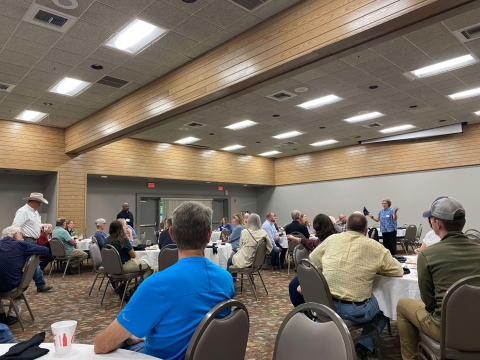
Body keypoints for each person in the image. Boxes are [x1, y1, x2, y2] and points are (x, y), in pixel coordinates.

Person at [94, 201, 234, 359]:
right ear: (209, 235)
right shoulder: (226, 279)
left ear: (172, 234)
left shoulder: (156, 285)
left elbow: (102, 345)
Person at [292, 213, 403, 359]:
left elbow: (312, 261)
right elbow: (398, 270)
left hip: (324, 306)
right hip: (354, 311)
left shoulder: (331, 240)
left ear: (345, 229)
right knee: (385, 305)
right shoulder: (375, 247)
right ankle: (363, 347)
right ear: (366, 231)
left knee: (377, 302)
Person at [397, 197, 480, 360]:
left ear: (438, 223)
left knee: (402, 305)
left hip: (447, 330)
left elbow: (429, 302)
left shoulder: (427, 255)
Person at [0, 226, 49, 326]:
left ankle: (1, 316)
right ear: (15, 235)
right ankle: (13, 315)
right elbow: (45, 250)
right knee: (22, 283)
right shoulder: (21, 245)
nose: (23, 237)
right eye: (21, 234)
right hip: (12, 287)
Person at [12, 192, 53, 293]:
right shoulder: (23, 211)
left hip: (32, 240)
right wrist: (19, 240)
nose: (40, 205)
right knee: (33, 263)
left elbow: (35, 225)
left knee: (32, 263)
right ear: (33, 202)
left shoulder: (34, 212)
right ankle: (40, 285)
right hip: (26, 240)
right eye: (39, 203)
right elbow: (16, 226)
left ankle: (39, 285)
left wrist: (43, 227)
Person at [105, 220, 152, 298]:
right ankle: (137, 288)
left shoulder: (107, 240)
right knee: (150, 266)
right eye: (124, 226)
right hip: (124, 266)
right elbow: (133, 255)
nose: (126, 227)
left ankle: (122, 286)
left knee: (136, 265)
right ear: (120, 228)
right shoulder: (122, 239)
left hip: (111, 268)